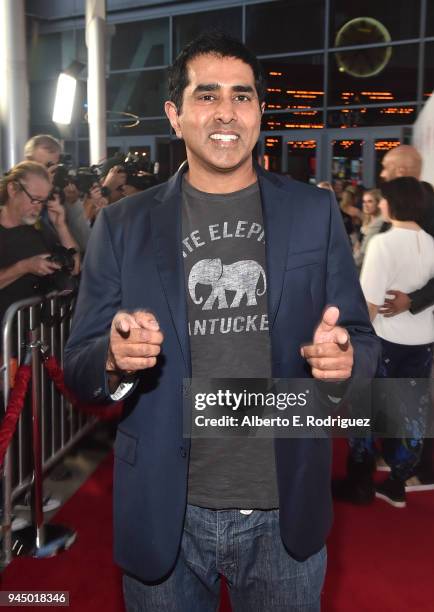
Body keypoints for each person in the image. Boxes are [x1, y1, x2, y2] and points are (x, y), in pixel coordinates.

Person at [64, 32, 379, 611]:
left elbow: (361, 338)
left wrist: (347, 360)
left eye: (242, 95)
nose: (226, 112)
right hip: (167, 511)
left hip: (285, 511)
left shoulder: (312, 213)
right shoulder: (123, 226)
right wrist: (111, 359)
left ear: (260, 110)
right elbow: (79, 364)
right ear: (175, 115)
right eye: (206, 95)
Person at [360, 177, 434, 507]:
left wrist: (355, 342)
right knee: (413, 412)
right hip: (423, 339)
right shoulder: (432, 242)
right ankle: (397, 480)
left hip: (386, 340)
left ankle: (360, 478)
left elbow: (371, 304)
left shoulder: (383, 244)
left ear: (393, 203)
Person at [0, 161, 80, 327]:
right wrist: (25, 267)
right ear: (13, 189)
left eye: (43, 202)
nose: (38, 209)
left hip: (35, 335)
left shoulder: (39, 228)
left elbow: (75, 266)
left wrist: (60, 224)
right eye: (35, 200)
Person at [353, 189, 383, 269]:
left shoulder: (379, 222)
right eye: (364, 201)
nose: (365, 205)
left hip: (370, 266)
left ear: (378, 203)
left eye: (370, 201)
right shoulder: (367, 220)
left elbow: (363, 252)